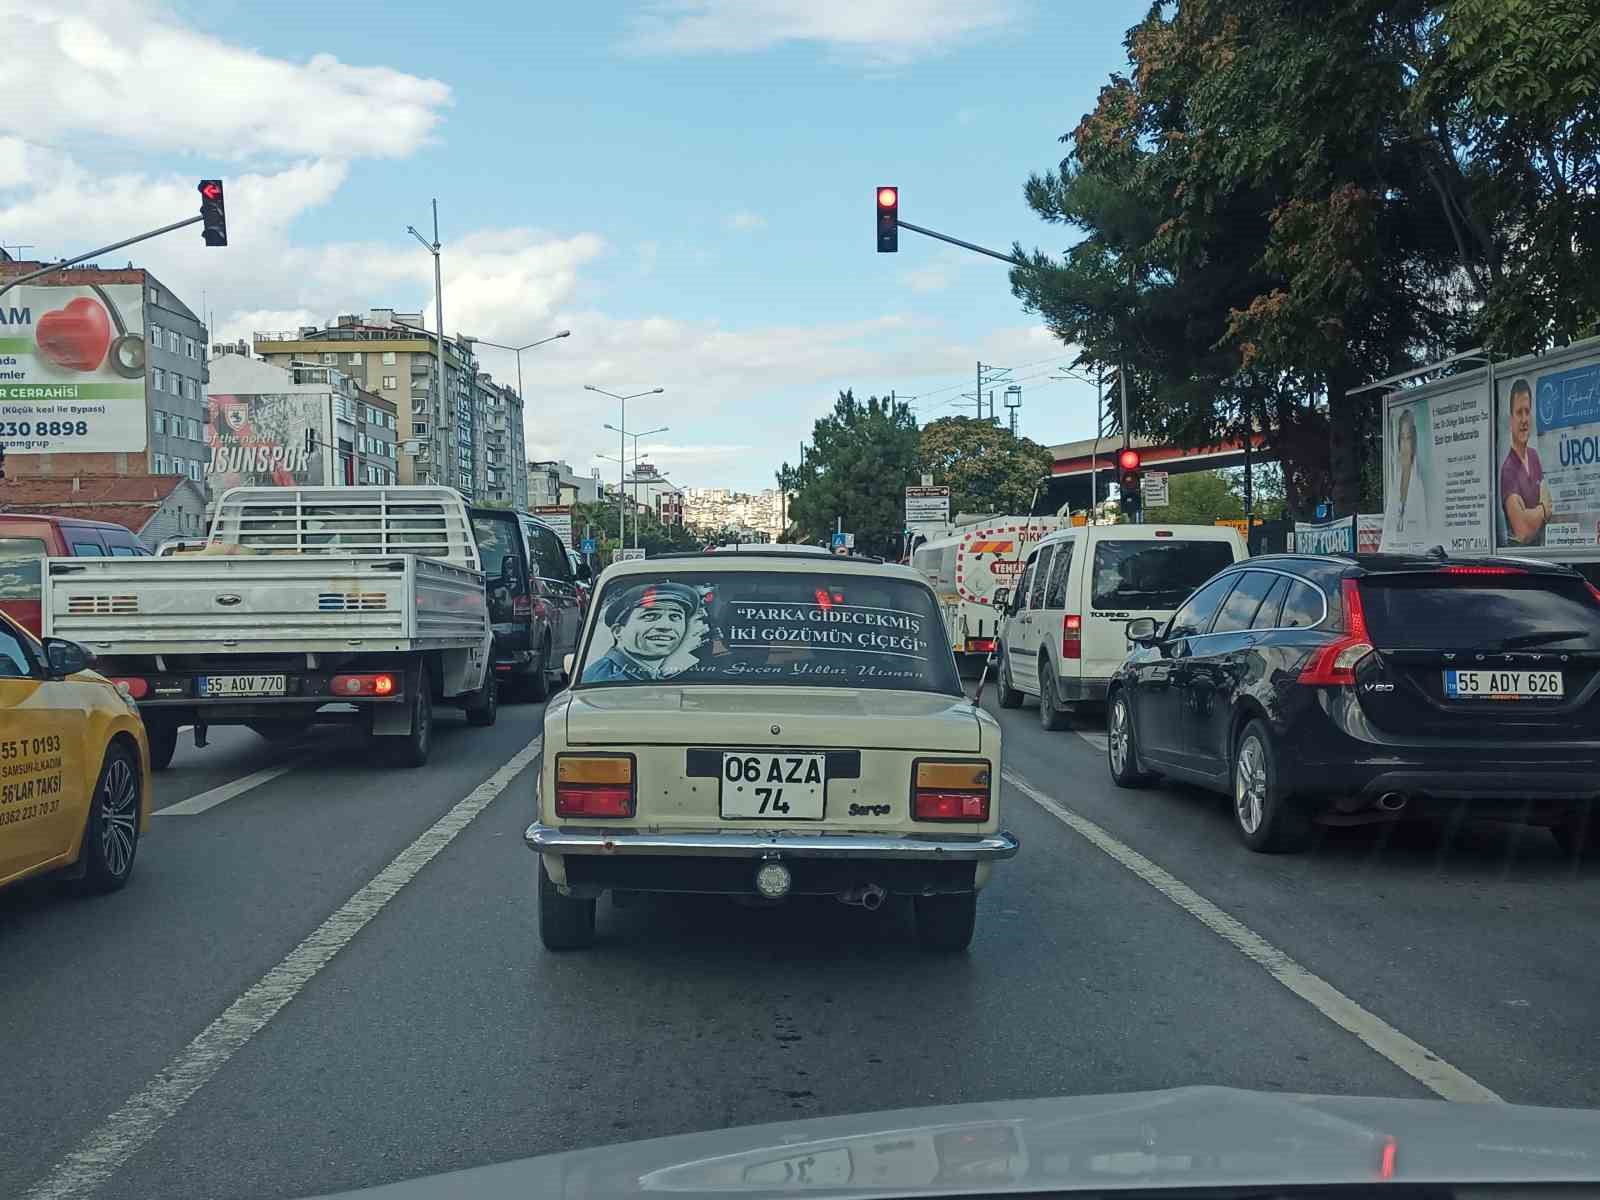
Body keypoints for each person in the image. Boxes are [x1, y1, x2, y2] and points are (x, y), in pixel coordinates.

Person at [582, 581, 707, 682]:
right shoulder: (602, 682)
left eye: (675, 616)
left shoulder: (652, 675)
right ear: (618, 631)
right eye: (650, 616)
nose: (665, 626)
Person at [1501, 378, 1553, 546]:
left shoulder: (1534, 457)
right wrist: (1543, 510)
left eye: (1527, 411)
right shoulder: (1508, 470)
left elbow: (1550, 503)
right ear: (1511, 420)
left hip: (1541, 554)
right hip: (1519, 559)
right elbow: (1522, 530)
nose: (1524, 419)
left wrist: (1530, 514)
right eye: (1519, 412)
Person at [1384, 406, 1430, 540]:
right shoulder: (1395, 483)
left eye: (1408, 438)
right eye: (1402, 438)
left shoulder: (1419, 484)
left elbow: (1423, 530)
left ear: (1414, 442)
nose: (1405, 445)